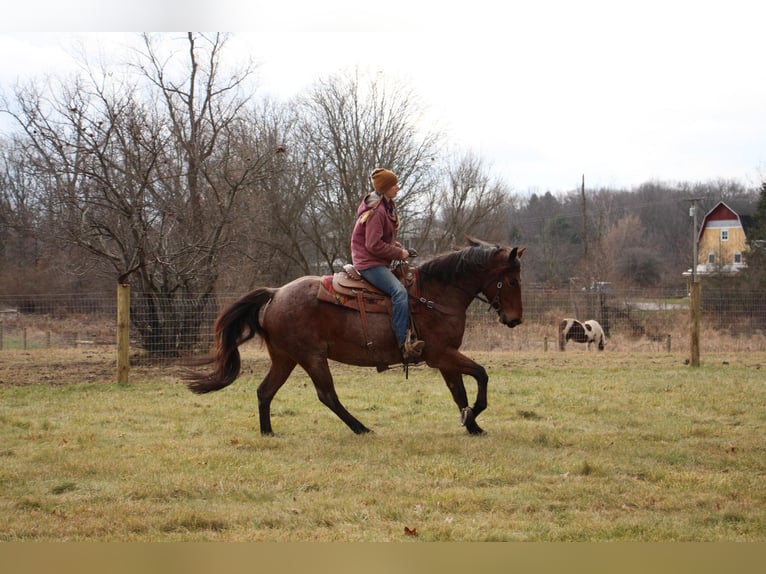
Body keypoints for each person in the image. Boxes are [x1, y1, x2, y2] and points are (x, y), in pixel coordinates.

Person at [351, 168, 425, 362]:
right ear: (384, 188)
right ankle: (403, 343)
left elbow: (383, 239)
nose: (397, 188)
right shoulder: (377, 212)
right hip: (369, 263)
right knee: (399, 292)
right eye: (394, 185)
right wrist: (398, 253)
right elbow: (373, 244)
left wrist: (399, 248)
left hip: (377, 260)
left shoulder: (387, 207)